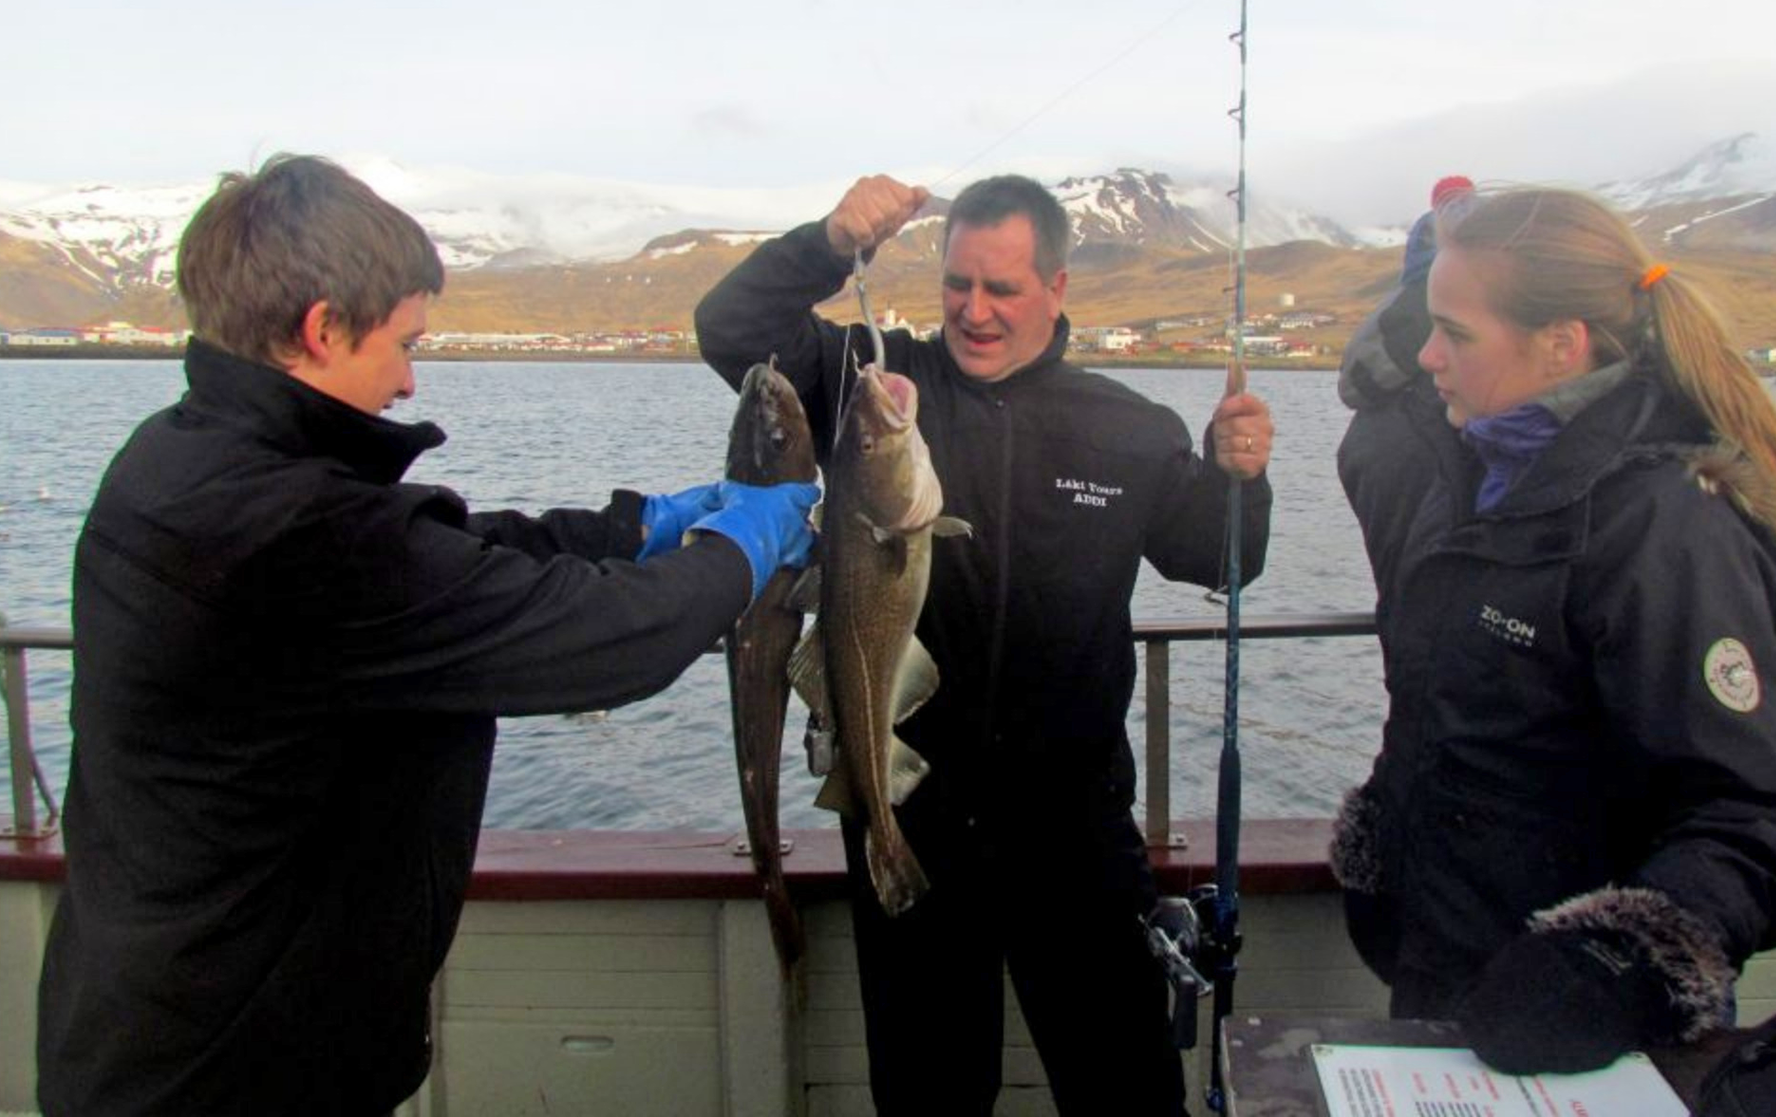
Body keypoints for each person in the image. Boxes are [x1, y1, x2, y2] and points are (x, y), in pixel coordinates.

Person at [35, 154, 819, 1116]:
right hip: (233, 1069)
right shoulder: (294, 534)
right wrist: (742, 547)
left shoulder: (188, 460)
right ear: (323, 329)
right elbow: (598, 639)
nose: (410, 381)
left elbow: (439, 561)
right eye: (403, 343)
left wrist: (635, 527)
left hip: (156, 1028)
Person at [695, 172, 1275, 1116]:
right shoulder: (876, 388)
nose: (974, 311)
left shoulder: (1129, 427)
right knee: (928, 1096)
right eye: (957, 284)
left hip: (1075, 827)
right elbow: (730, 328)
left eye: (1002, 288)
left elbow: (1222, 557)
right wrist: (828, 243)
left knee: (1127, 1091)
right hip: (911, 810)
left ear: (1056, 287)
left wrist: (1238, 476)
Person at [1331, 181, 1776, 1074]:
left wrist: (1611, 965)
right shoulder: (1478, 481)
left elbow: (1767, 821)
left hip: (1601, 1038)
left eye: (1453, 334)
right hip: (1452, 985)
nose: (1426, 356)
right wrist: (1387, 849)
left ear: (1561, 344)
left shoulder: (1663, 526)